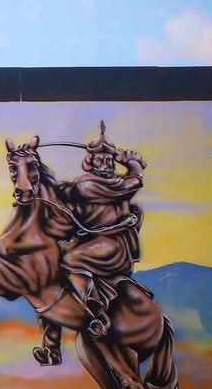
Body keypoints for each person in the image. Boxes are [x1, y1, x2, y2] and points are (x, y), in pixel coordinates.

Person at [50, 122, 144, 337]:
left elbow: (132, 184)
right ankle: (51, 344)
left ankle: (95, 306)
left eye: (109, 159)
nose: (106, 164)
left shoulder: (106, 184)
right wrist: (133, 164)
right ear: (90, 161)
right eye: (100, 159)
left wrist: (134, 165)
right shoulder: (86, 184)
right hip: (93, 244)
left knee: (70, 259)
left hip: (113, 247)